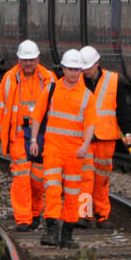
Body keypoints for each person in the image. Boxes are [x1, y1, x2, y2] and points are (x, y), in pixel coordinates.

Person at [0, 39, 55, 229]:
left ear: (38, 59)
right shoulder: (9, 79)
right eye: (25, 60)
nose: (28, 63)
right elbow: (0, 107)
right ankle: (24, 219)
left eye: (31, 60)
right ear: (18, 59)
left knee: (38, 179)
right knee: (21, 178)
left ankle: (35, 213)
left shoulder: (48, 78)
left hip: (41, 135)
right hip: (18, 136)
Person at [37, 49, 97, 249]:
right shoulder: (51, 89)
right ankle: (52, 231)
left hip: (74, 153)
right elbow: (36, 116)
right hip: (53, 149)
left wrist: (85, 146)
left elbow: (90, 125)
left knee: (72, 193)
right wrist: (32, 141)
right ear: (63, 69)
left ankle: (67, 234)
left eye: (77, 70)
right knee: (53, 189)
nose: (73, 74)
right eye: (70, 69)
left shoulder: (87, 96)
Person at [80, 45, 131, 230]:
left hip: (105, 138)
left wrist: (127, 132)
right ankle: (84, 215)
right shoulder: (76, 81)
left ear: (97, 63)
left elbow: (122, 109)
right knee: (85, 178)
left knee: (101, 179)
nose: (85, 70)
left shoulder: (113, 80)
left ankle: (102, 215)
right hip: (84, 139)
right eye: (83, 67)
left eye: (88, 67)